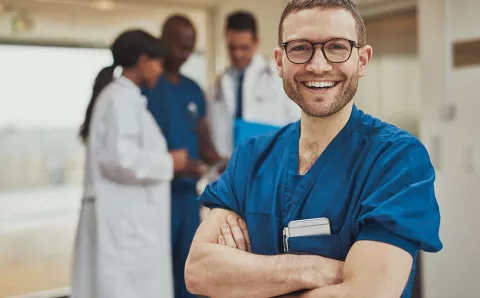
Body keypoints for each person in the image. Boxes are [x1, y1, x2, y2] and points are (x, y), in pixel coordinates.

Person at [185, 1, 443, 298]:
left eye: (336, 47)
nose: (318, 65)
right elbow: (199, 271)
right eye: (300, 48)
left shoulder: (397, 160)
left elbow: (368, 292)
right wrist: (314, 268)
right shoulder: (251, 157)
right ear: (279, 61)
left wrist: (247, 278)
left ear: (363, 60)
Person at [71, 29, 187, 298]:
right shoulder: (119, 98)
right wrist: (169, 162)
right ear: (143, 60)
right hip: (123, 226)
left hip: (128, 223)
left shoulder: (127, 98)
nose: (160, 70)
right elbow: (120, 159)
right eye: (157, 62)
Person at [143, 15, 222, 298]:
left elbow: (202, 140)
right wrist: (174, 164)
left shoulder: (193, 90)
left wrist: (222, 161)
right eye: (179, 46)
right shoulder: (147, 85)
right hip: (153, 198)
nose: (185, 54)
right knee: (154, 275)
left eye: (190, 48)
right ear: (163, 39)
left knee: (189, 275)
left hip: (187, 198)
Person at [207, 11, 301, 157]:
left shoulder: (278, 78)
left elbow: (298, 125)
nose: (238, 54)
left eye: (244, 48)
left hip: (270, 162)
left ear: (256, 42)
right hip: (229, 166)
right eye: (232, 48)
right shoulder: (218, 85)